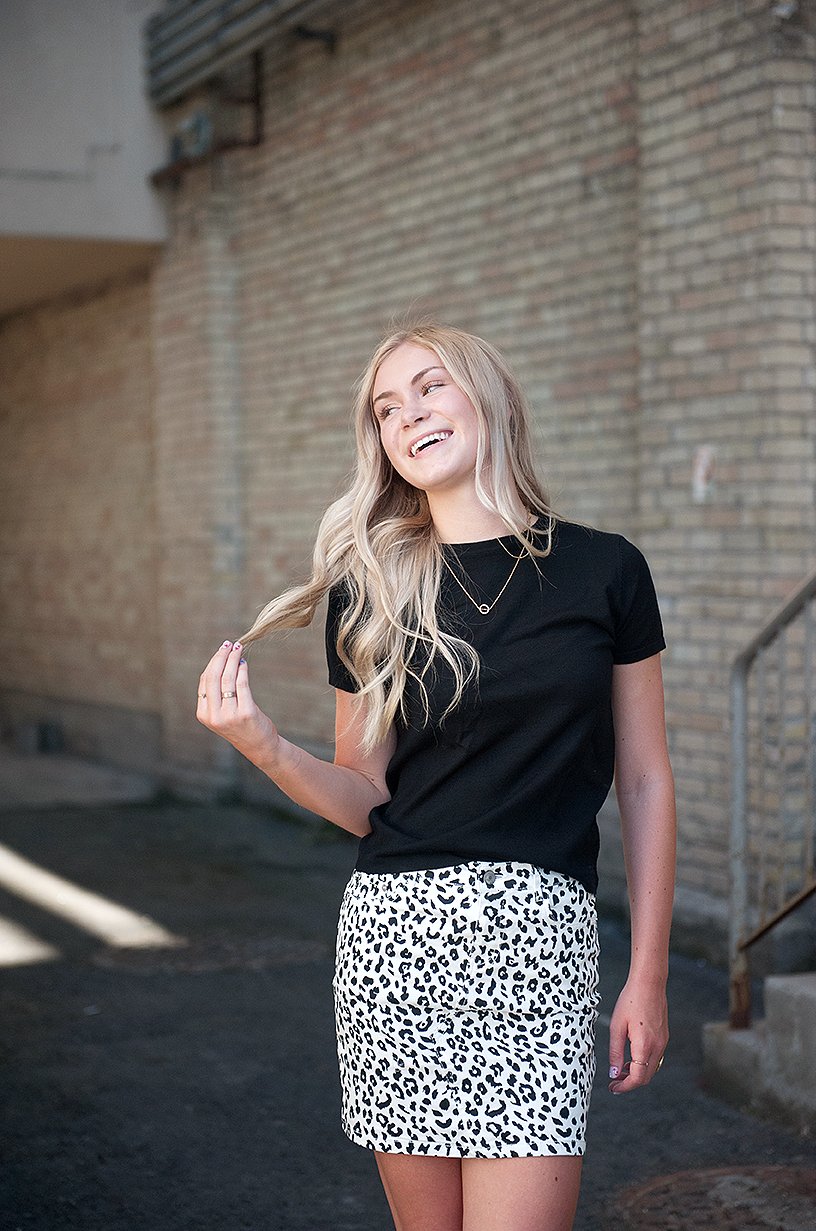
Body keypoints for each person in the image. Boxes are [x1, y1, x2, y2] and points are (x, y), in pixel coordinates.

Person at [196, 321, 676, 1231]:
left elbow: (645, 780)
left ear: (486, 395)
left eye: (428, 387)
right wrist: (262, 742)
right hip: (396, 945)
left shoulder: (604, 569)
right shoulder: (369, 590)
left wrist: (646, 972)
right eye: (386, 408)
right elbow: (361, 798)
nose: (407, 414)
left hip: (541, 946)